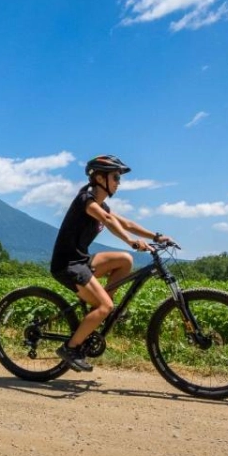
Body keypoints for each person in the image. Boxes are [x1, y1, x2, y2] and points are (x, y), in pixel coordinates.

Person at [49, 155, 174, 372]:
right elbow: (108, 221)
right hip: (68, 265)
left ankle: (103, 308)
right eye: (115, 177)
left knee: (125, 260)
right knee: (104, 305)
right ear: (99, 178)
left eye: (119, 178)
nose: (119, 182)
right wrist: (131, 241)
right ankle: (70, 348)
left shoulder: (101, 205)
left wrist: (156, 236)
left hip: (83, 260)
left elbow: (125, 222)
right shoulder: (86, 200)